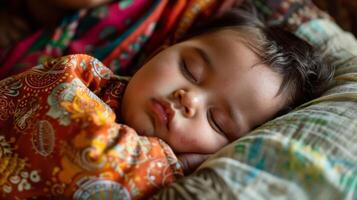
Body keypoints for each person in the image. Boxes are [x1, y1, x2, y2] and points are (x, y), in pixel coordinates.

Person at [0, 7, 333, 199]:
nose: (188, 99)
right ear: (163, 50)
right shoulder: (79, 77)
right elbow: (90, 157)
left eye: (217, 120)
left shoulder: (175, 185)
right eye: (190, 68)